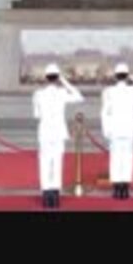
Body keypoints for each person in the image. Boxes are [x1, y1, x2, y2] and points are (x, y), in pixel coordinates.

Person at [32, 62, 84, 208]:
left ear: (46, 77)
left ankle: (46, 194)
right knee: (57, 162)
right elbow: (79, 96)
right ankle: (55, 195)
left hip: (45, 131)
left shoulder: (38, 94)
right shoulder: (62, 93)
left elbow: (37, 115)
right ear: (57, 77)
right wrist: (64, 81)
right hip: (58, 132)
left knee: (45, 163)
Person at [100, 62, 133, 199]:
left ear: (115, 76)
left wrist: (106, 130)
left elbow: (105, 112)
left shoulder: (108, 91)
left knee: (115, 157)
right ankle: (125, 188)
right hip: (129, 128)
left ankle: (116, 188)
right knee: (128, 157)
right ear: (127, 75)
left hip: (115, 128)